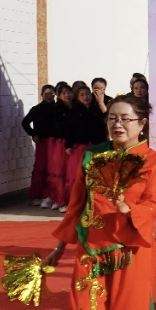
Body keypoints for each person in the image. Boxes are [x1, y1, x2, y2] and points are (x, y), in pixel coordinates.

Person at [39, 95, 156, 310]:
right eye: (112, 118)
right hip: (91, 251)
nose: (118, 124)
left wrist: (128, 208)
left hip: (131, 252)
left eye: (125, 119)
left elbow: (154, 204)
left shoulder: (152, 161)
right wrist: (60, 247)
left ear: (142, 124)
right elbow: (76, 205)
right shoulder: (92, 156)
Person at [60, 82, 95, 213]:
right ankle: (73, 203)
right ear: (78, 98)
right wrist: (68, 145)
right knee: (76, 176)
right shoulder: (74, 112)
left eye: (87, 94)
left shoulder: (96, 110)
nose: (85, 97)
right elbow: (69, 131)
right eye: (82, 95)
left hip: (94, 147)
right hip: (78, 148)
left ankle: (91, 203)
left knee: (93, 177)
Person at [22, 84, 57, 205]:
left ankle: (51, 195)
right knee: (40, 167)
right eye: (46, 93)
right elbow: (25, 123)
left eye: (51, 93)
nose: (49, 96)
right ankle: (36, 195)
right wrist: (33, 134)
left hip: (56, 142)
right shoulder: (36, 109)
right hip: (42, 142)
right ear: (42, 95)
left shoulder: (58, 108)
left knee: (54, 168)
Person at [42, 82, 74, 212]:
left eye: (69, 92)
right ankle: (60, 200)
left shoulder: (77, 108)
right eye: (63, 93)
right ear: (59, 96)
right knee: (60, 172)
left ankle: (70, 200)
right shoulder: (57, 109)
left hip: (74, 143)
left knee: (71, 174)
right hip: (61, 143)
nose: (67, 95)